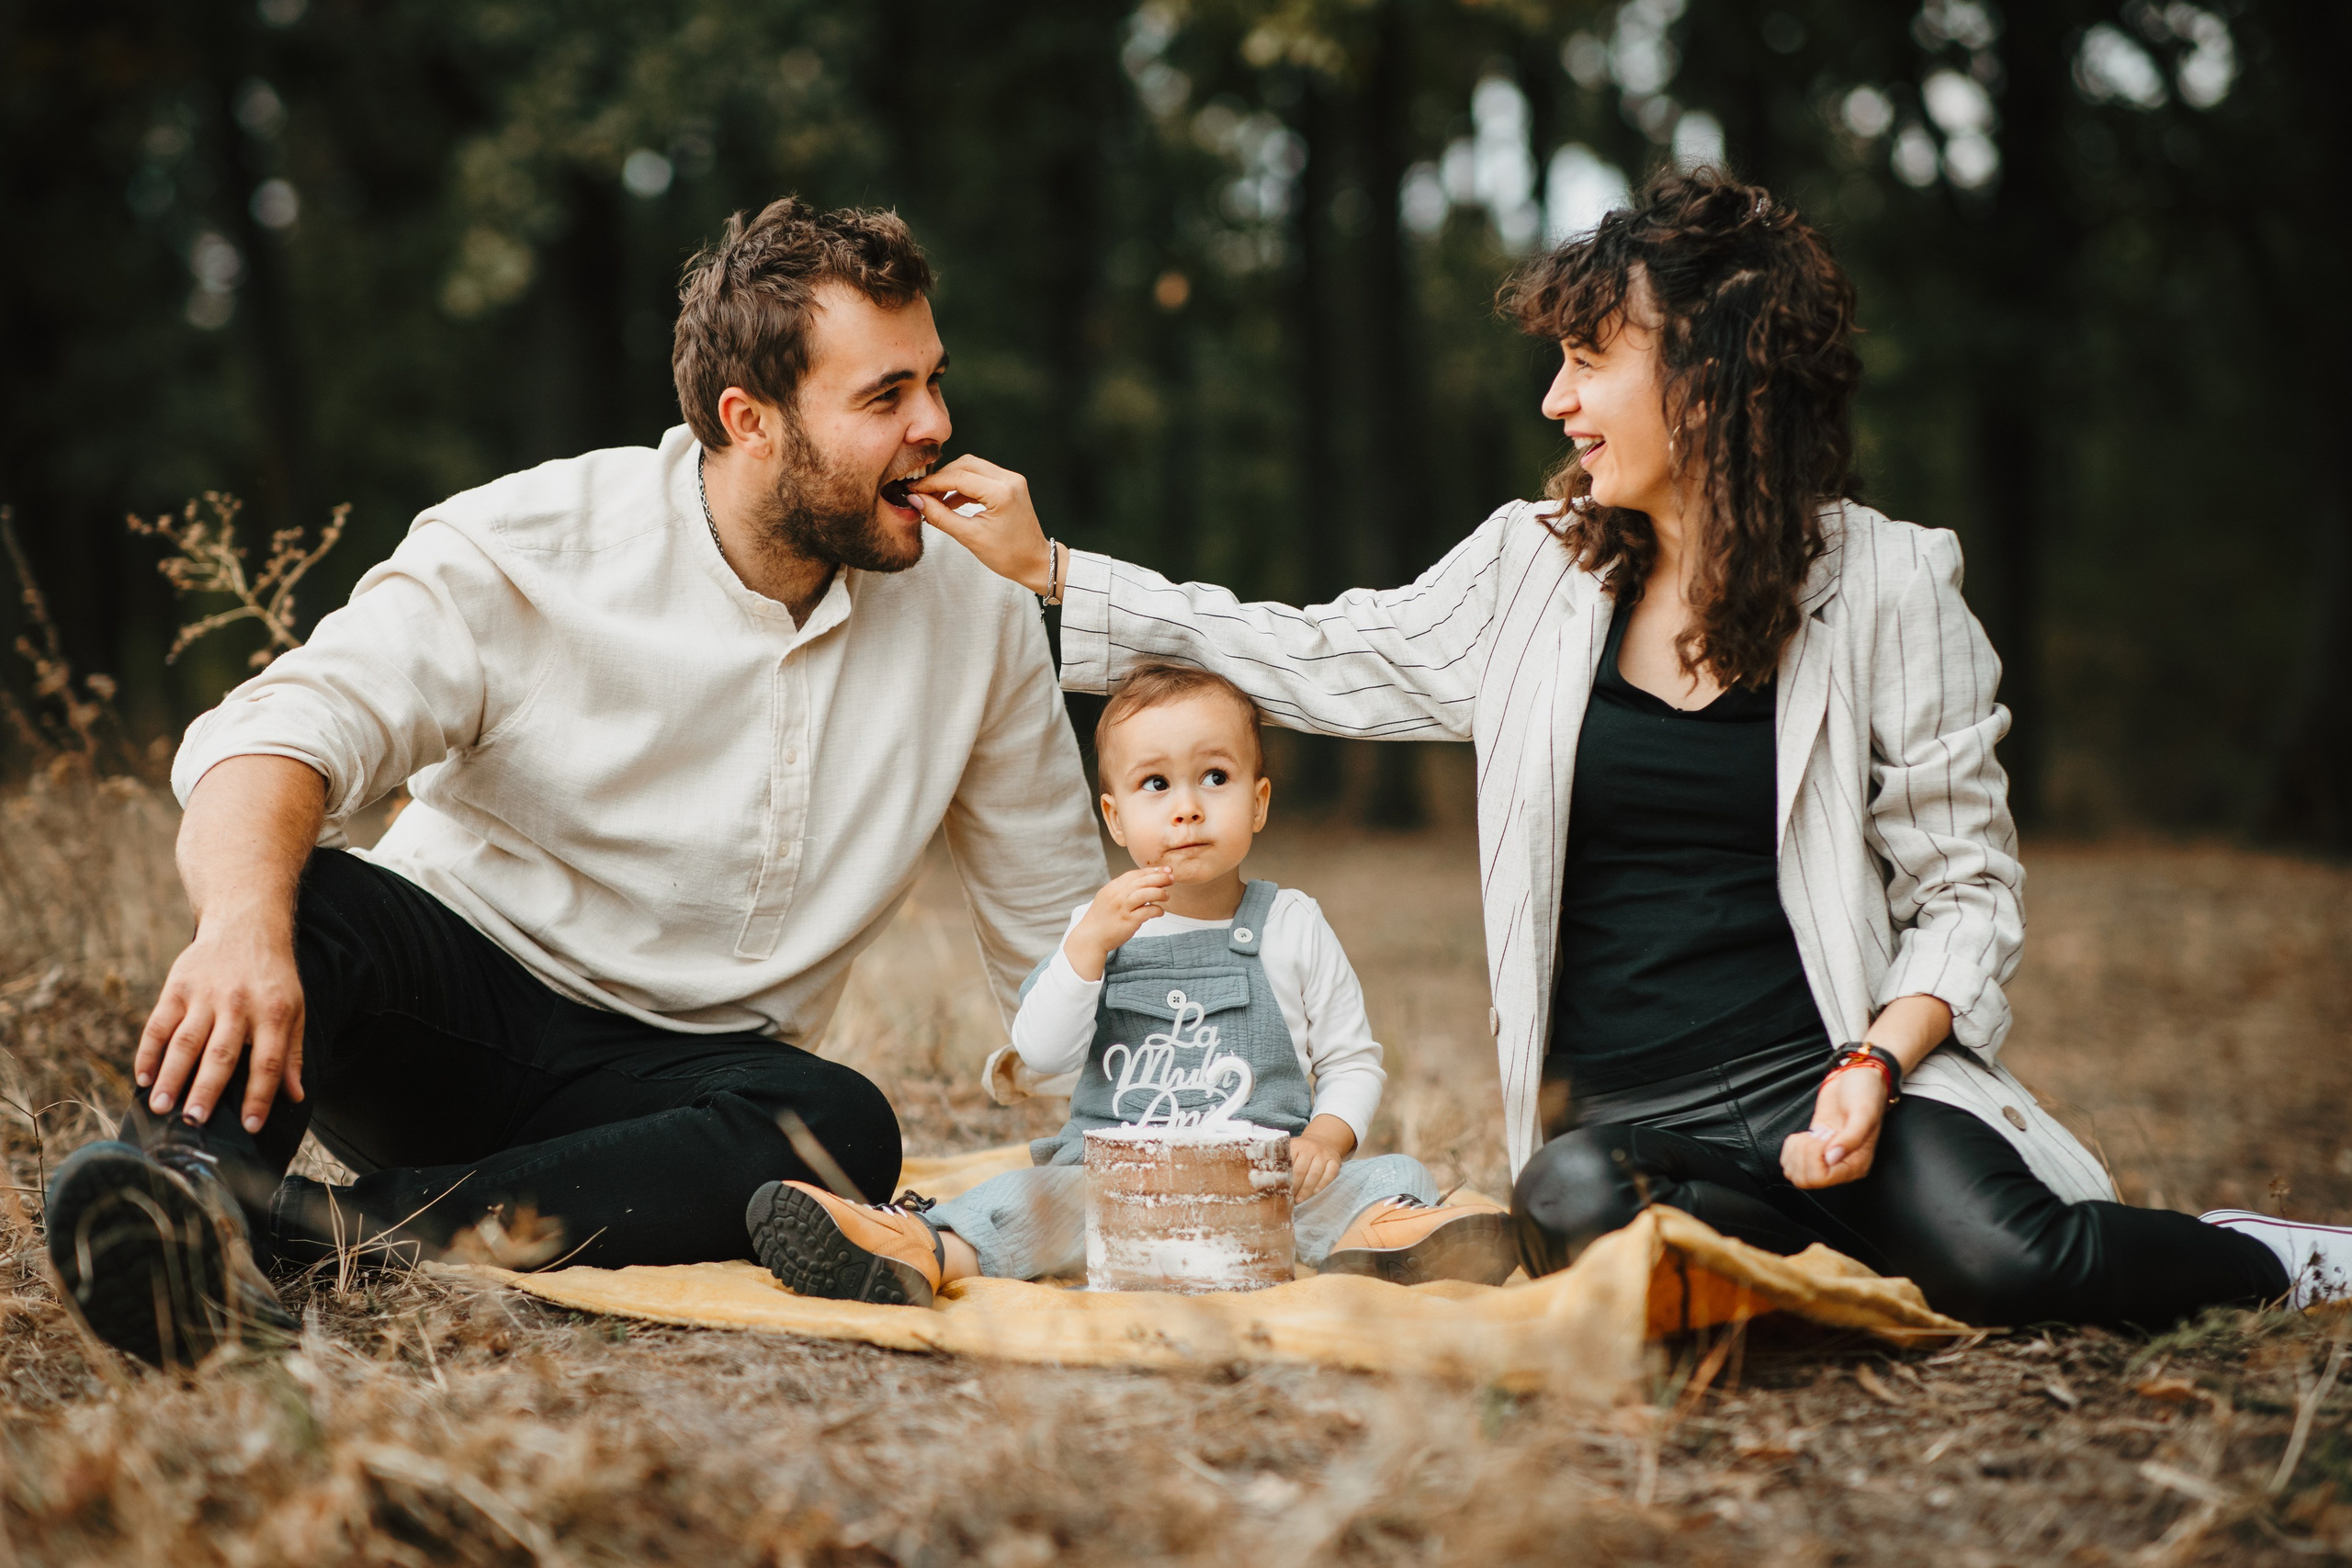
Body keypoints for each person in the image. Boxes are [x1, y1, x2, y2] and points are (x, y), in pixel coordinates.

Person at [916, 167, 2352, 1329]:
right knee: (1574, 1211)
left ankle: (2260, 1259)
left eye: (1591, 358)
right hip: (1636, 1126)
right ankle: (1840, 1240)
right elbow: (1320, 649)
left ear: (1716, 375)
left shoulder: (1895, 584)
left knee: (2017, 1267)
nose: (1556, 399)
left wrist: (1870, 1063)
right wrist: (1057, 572)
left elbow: (1966, 894)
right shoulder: (1533, 570)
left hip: (1848, 1075)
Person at [43, 198, 1105, 1368]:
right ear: (750, 421)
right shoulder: (537, 543)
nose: (937, 427)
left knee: (838, 1127)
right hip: (447, 1012)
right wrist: (242, 928)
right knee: (307, 905)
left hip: (680, 1094)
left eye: (933, 383)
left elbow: (1057, 925)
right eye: (886, 397)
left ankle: (335, 1235)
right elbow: (278, 734)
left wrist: (1141, 1145)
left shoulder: (981, 611)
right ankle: (174, 1194)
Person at [744, 664, 1515, 1303]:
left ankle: (1392, 1236)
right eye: (1156, 785)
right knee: (1026, 1200)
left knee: (1386, 1176)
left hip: (1261, 1187)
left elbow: (1352, 1059)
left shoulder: (1291, 923)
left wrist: (1327, 1135)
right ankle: (919, 1250)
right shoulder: (1099, 926)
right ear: (1114, 818)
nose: (1186, 808)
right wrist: (1086, 950)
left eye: (1215, 777)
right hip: (1113, 1188)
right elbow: (1039, 1055)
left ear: (1259, 801)